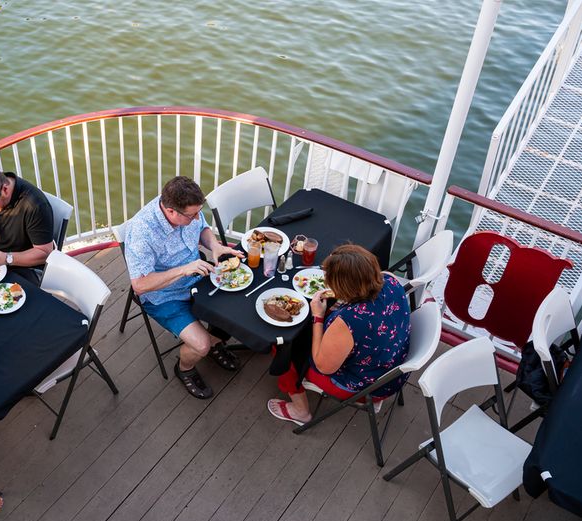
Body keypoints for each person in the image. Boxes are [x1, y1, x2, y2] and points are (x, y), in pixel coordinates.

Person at [125, 175, 244, 400]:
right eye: (192, 215)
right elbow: (139, 285)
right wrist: (183, 270)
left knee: (237, 306)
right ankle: (185, 369)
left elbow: (203, 229)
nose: (197, 217)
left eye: (199, 211)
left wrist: (215, 246)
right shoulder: (142, 232)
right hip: (164, 296)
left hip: (197, 277)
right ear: (171, 212)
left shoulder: (187, 211)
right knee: (200, 346)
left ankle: (215, 341)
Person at [267, 244, 411, 424]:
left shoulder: (350, 320)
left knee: (283, 347)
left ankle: (300, 410)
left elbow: (323, 366)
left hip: (363, 387)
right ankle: (375, 401)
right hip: (391, 373)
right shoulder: (390, 281)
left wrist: (318, 317)